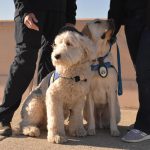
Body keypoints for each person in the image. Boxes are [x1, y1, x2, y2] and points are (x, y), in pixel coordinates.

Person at [0, 0, 77, 137]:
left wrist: (70, 17)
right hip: (31, 7)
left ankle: (47, 119)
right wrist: (24, 10)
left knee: (52, 64)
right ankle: (3, 117)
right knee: (25, 61)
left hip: (58, 10)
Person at [108, 0, 150, 142]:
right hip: (132, 22)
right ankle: (145, 118)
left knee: (145, 71)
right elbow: (116, 4)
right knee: (141, 73)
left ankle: (145, 126)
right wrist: (111, 29)